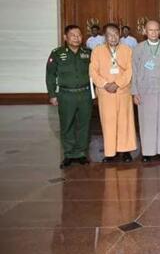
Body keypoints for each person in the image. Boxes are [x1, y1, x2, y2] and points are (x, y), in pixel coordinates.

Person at [46, 25, 93, 168]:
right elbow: (50, 75)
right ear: (65, 37)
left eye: (79, 35)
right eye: (73, 35)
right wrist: (52, 94)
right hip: (66, 95)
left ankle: (81, 153)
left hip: (84, 94)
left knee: (84, 124)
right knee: (67, 124)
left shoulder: (88, 53)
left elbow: (95, 72)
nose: (77, 38)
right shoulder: (57, 53)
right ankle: (69, 154)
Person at [90, 23, 136, 163]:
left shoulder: (127, 50)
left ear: (119, 35)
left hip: (123, 91)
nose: (113, 37)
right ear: (105, 36)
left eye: (116, 34)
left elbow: (130, 70)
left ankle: (126, 151)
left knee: (125, 121)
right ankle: (110, 152)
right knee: (108, 122)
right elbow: (93, 71)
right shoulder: (97, 51)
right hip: (106, 93)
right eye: (110, 35)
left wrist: (117, 84)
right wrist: (105, 84)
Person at [131, 20, 160, 162]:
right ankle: (147, 152)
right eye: (150, 30)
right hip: (144, 90)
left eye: (156, 30)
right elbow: (134, 70)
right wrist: (135, 92)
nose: (153, 33)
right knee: (146, 122)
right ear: (145, 31)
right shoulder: (138, 48)